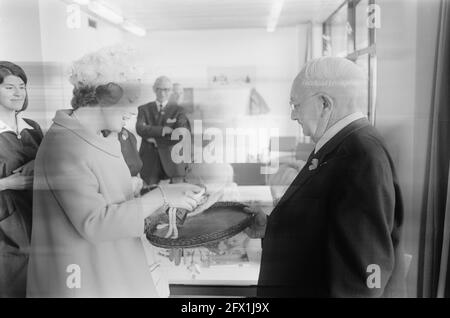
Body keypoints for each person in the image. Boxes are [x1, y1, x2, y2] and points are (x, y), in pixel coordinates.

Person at [26, 47, 203, 297]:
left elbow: (115, 199)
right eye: (130, 103)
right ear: (106, 96)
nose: (133, 113)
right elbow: (94, 223)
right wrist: (160, 196)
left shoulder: (104, 137)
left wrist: (162, 199)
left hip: (113, 265)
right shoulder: (64, 145)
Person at [245, 57, 406, 297]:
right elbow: (326, 229)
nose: (292, 115)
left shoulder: (361, 156)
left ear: (324, 104)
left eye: (295, 104)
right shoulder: (339, 146)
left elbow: (361, 274)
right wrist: (272, 228)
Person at [0, 61, 43, 297]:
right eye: (9, 87)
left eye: (22, 86)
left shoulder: (33, 128)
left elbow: (49, 161)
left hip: (37, 215)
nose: (18, 93)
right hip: (6, 224)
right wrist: (6, 183)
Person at [136, 76, 191, 185]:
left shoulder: (179, 110)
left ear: (170, 91)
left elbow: (180, 134)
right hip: (149, 160)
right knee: (149, 195)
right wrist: (163, 130)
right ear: (154, 89)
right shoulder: (144, 109)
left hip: (174, 160)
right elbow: (140, 129)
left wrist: (156, 141)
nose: (162, 93)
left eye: (165, 89)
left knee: (177, 196)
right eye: (158, 89)